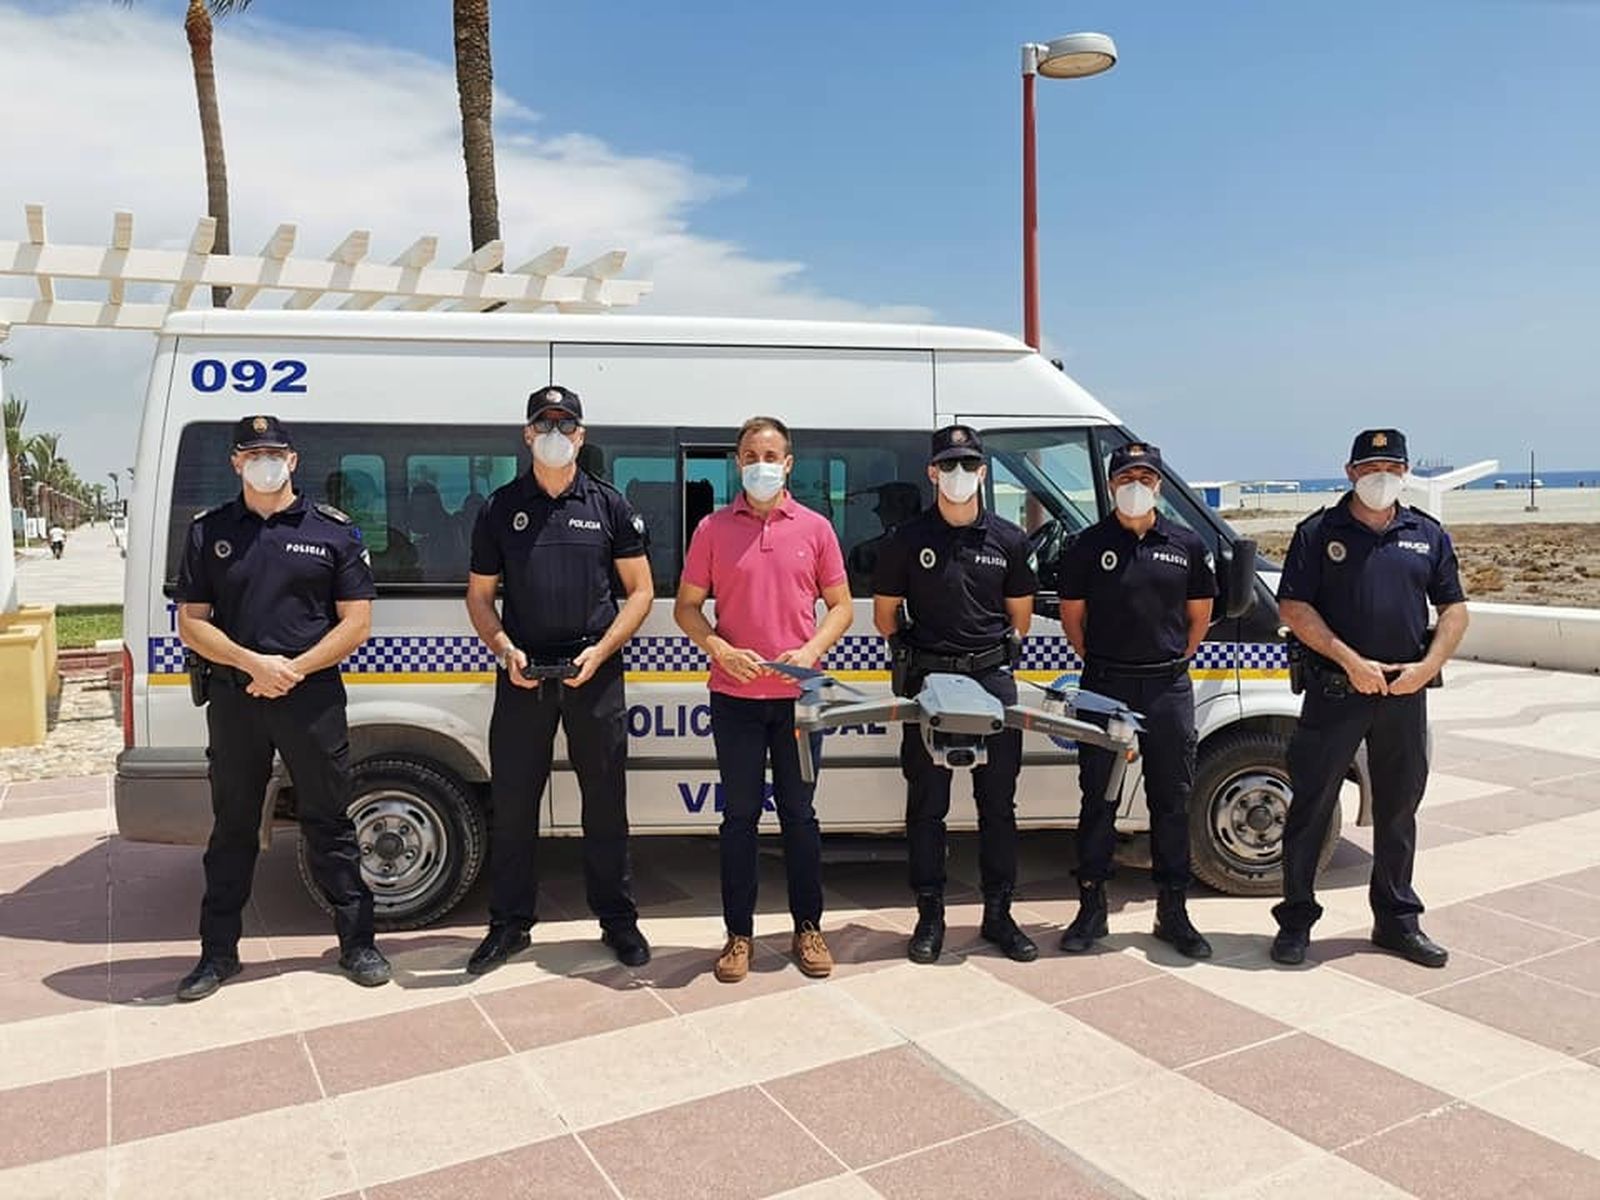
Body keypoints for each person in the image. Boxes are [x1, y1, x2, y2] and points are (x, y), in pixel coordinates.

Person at [172, 414, 389, 1001]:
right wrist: (254, 665)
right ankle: (217, 956)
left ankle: (358, 944)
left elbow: (358, 622)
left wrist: (292, 668)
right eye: (252, 452)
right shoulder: (209, 531)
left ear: (293, 460)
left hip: (311, 694)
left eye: (275, 452)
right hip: (236, 697)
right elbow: (192, 623)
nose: (264, 461)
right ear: (236, 462)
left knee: (331, 823)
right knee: (234, 828)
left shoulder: (333, 531)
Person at [464, 385, 654, 974]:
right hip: (521, 671)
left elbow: (641, 591)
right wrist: (503, 649)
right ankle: (509, 924)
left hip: (592, 671)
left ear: (580, 435)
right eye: (542, 425)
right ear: (526, 435)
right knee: (515, 804)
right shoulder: (499, 507)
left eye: (563, 425)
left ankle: (617, 921)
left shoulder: (608, 504)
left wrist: (601, 651)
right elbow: (478, 596)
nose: (553, 434)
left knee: (605, 803)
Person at [1269, 428, 1469, 968]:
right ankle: (1295, 922)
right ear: (1351, 471)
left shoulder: (1426, 534)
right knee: (1311, 807)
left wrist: (1428, 668)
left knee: (1399, 810)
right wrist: (1350, 662)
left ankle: (1397, 921)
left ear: (1406, 473)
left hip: (1405, 692)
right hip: (1337, 692)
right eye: (1371, 467)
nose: (1382, 477)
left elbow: (1453, 609)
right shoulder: (1317, 532)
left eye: (1393, 467)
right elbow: (1293, 608)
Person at [675, 416, 853, 984]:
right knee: (740, 819)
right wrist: (719, 648)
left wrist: (813, 648)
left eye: (770, 454)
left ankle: (808, 927)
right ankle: (738, 936)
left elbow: (842, 607)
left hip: (799, 701)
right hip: (736, 698)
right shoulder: (711, 529)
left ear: (789, 463)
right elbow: (686, 608)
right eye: (750, 454)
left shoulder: (816, 528)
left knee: (800, 817)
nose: (761, 464)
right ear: (737, 462)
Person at [872, 425, 1040, 964]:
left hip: (992, 681)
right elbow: (884, 617)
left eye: (968, 465)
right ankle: (930, 915)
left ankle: (1000, 915)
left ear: (983, 473)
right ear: (932, 472)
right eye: (949, 465)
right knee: (927, 805)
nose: (959, 475)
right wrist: (918, 658)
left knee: (998, 805)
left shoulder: (1009, 540)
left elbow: (1021, 619)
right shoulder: (906, 539)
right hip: (930, 684)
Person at [1056, 443, 1217, 959]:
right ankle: (1091, 908)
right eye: (1127, 477)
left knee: (1171, 801)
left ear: (1159, 486)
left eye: (1146, 477)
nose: (1136, 486)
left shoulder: (1187, 544)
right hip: (1105, 685)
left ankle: (1173, 912)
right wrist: (1105, 663)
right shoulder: (1086, 545)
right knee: (1097, 799)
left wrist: (1168, 662)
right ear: (1110, 486)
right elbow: (1073, 619)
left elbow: (1199, 616)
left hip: (1167, 687)